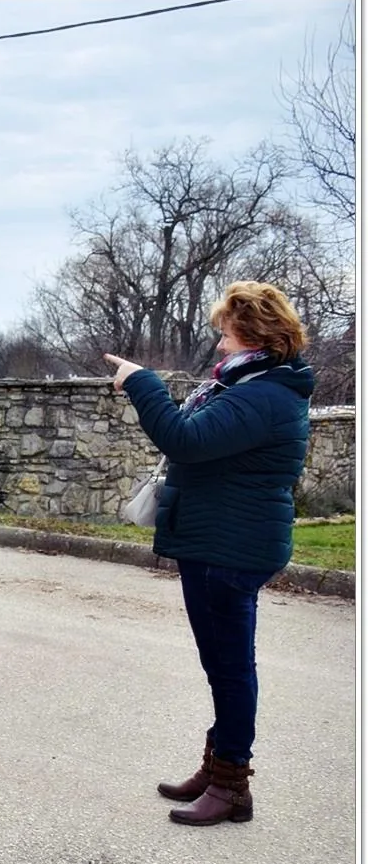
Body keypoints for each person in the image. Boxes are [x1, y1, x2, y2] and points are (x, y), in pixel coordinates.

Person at [106, 281, 314, 826]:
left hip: (231, 546)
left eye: (226, 333)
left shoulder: (263, 394)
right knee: (222, 663)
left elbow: (185, 440)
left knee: (229, 667)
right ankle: (219, 766)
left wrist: (142, 382)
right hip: (221, 539)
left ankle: (231, 787)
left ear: (252, 333)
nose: (220, 345)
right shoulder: (251, 386)